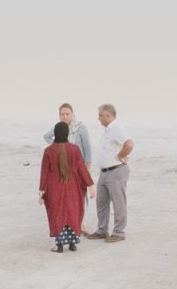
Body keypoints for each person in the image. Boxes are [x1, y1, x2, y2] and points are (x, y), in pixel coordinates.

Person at [38, 122, 94, 252]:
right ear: (67, 133)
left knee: (57, 214)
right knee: (72, 213)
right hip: (72, 189)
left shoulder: (48, 151)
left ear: (55, 134)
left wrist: (41, 192)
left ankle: (59, 246)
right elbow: (82, 169)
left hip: (54, 189)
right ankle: (72, 244)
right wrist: (91, 186)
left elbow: (44, 173)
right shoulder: (75, 149)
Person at [86, 104, 133, 242]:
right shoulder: (107, 130)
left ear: (108, 116)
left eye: (100, 115)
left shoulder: (117, 128)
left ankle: (119, 232)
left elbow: (129, 144)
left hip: (116, 171)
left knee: (118, 202)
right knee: (101, 202)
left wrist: (120, 156)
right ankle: (102, 230)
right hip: (104, 172)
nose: (98, 118)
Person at [43, 103, 93, 231]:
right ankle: (67, 223)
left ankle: (81, 222)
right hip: (63, 166)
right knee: (67, 195)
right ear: (59, 115)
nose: (65, 117)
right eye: (62, 114)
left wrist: (88, 166)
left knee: (81, 194)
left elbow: (87, 148)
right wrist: (57, 145)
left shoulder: (80, 128)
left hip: (78, 165)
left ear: (72, 114)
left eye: (67, 114)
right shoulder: (59, 128)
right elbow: (46, 136)